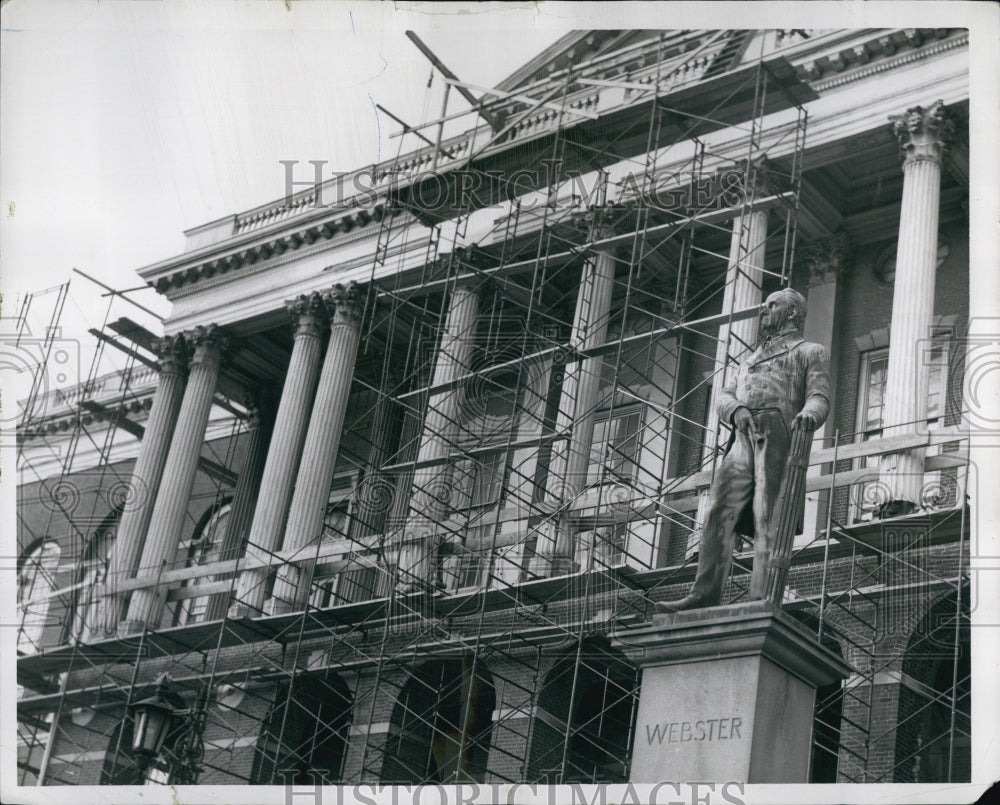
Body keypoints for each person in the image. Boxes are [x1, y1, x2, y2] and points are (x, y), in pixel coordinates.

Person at [657, 287, 831, 612]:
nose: (762, 310)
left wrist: (809, 414)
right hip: (743, 434)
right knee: (718, 512)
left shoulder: (810, 351)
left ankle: (761, 596)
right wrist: (735, 410)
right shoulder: (749, 360)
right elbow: (723, 395)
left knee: (769, 516)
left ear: (792, 312)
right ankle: (703, 594)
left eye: (771, 305)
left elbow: (819, 395)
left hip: (779, 433)